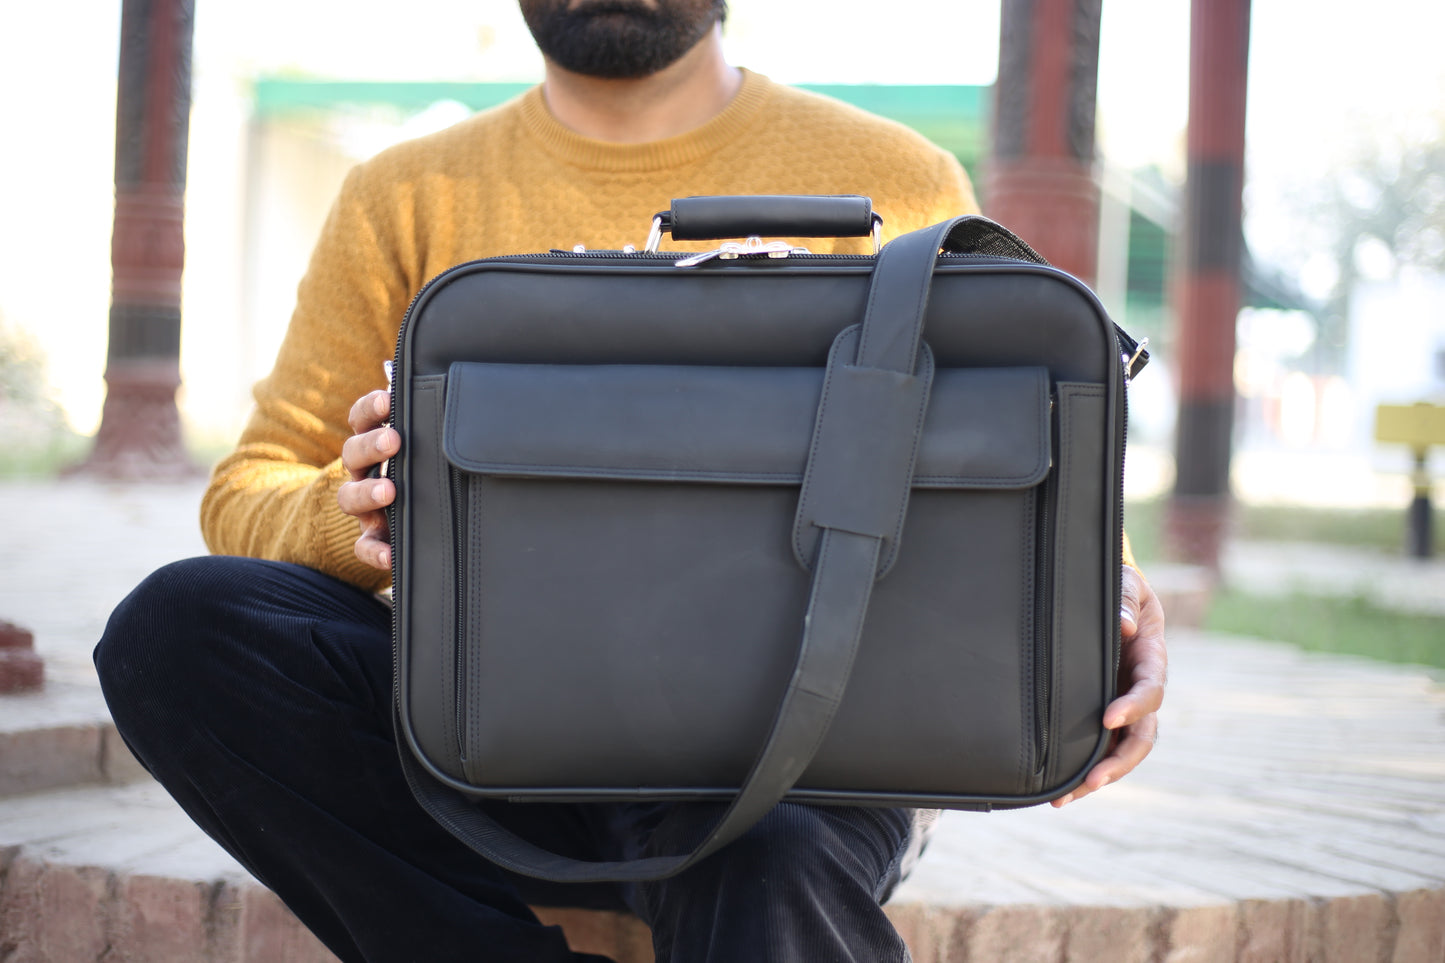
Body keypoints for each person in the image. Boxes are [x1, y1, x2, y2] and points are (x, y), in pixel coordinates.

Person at [94, 2, 1167, 961]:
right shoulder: (404, 192)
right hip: (482, 731)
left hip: (813, 740)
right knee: (174, 629)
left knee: (771, 858)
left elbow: (1021, 456)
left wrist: (1109, 597)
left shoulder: (897, 178)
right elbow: (247, 487)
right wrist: (347, 506)